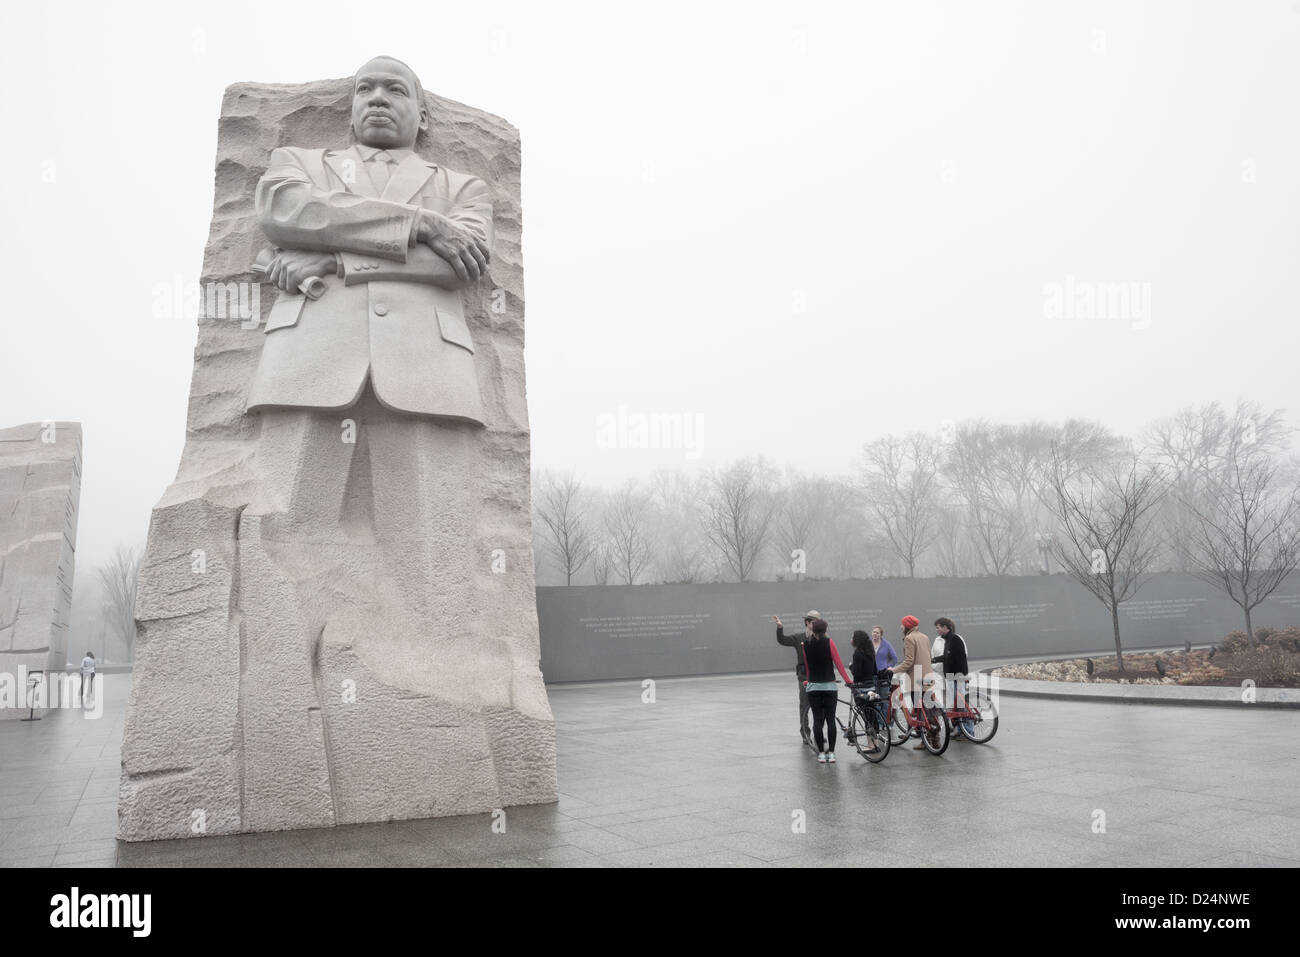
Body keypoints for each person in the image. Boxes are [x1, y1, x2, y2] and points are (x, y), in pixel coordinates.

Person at [800, 618, 853, 763]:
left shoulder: (805, 645)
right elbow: (839, 664)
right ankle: (832, 753)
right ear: (825, 630)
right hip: (829, 687)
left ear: (812, 629)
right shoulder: (829, 642)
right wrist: (849, 681)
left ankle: (821, 754)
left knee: (817, 720)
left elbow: (808, 667)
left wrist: (808, 681)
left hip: (813, 688)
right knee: (830, 719)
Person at [772, 611, 820, 746]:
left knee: (819, 707)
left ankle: (819, 733)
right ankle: (805, 733)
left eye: (818, 622)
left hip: (818, 676)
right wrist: (780, 628)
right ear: (807, 623)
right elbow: (782, 640)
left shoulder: (821, 638)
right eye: (814, 621)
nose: (816, 624)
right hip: (804, 676)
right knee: (805, 705)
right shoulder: (798, 638)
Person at [893, 615, 938, 751]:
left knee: (920, 710)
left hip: (916, 678)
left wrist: (893, 670)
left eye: (902, 624)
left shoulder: (909, 638)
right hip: (928, 676)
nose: (900, 627)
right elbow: (929, 656)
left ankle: (926, 741)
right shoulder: (924, 637)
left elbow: (909, 661)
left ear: (907, 625)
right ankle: (935, 740)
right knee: (929, 709)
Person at [934, 617, 971, 738]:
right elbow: (946, 657)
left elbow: (958, 656)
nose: (936, 629)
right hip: (950, 676)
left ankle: (969, 731)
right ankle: (960, 730)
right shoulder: (947, 640)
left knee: (961, 704)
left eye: (938, 627)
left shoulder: (955, 639)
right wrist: (933, 660)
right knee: (954, 704)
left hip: (956, 675)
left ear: (946, 627)